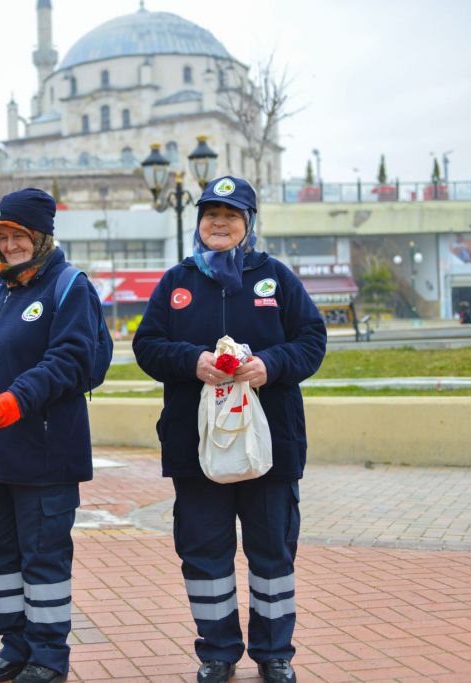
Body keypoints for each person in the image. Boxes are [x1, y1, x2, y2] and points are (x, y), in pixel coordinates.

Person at [133, 176, 326, 683]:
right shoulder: (177, 281)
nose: (219, 223)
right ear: (199, 223)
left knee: (272, 552)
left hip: (271, 446)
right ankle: (216, 653)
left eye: (231, 215)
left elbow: (312, 340)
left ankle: (274, 653)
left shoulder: (276, 278)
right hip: (195, 448)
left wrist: (271, 365)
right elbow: (146, 346)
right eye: (210, 214)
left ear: (249, 224)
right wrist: (191, 360)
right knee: (203, 552)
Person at [0, 188, 104, 683]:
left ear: (41, 236)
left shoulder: (69, 288)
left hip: (44, 454)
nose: (10, 246)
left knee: (43, 559)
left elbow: (71, 359)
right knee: (3, 558)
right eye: (2, 237)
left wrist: (21, 396)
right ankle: (15, 647)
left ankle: (48, 658)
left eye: (19, 236)